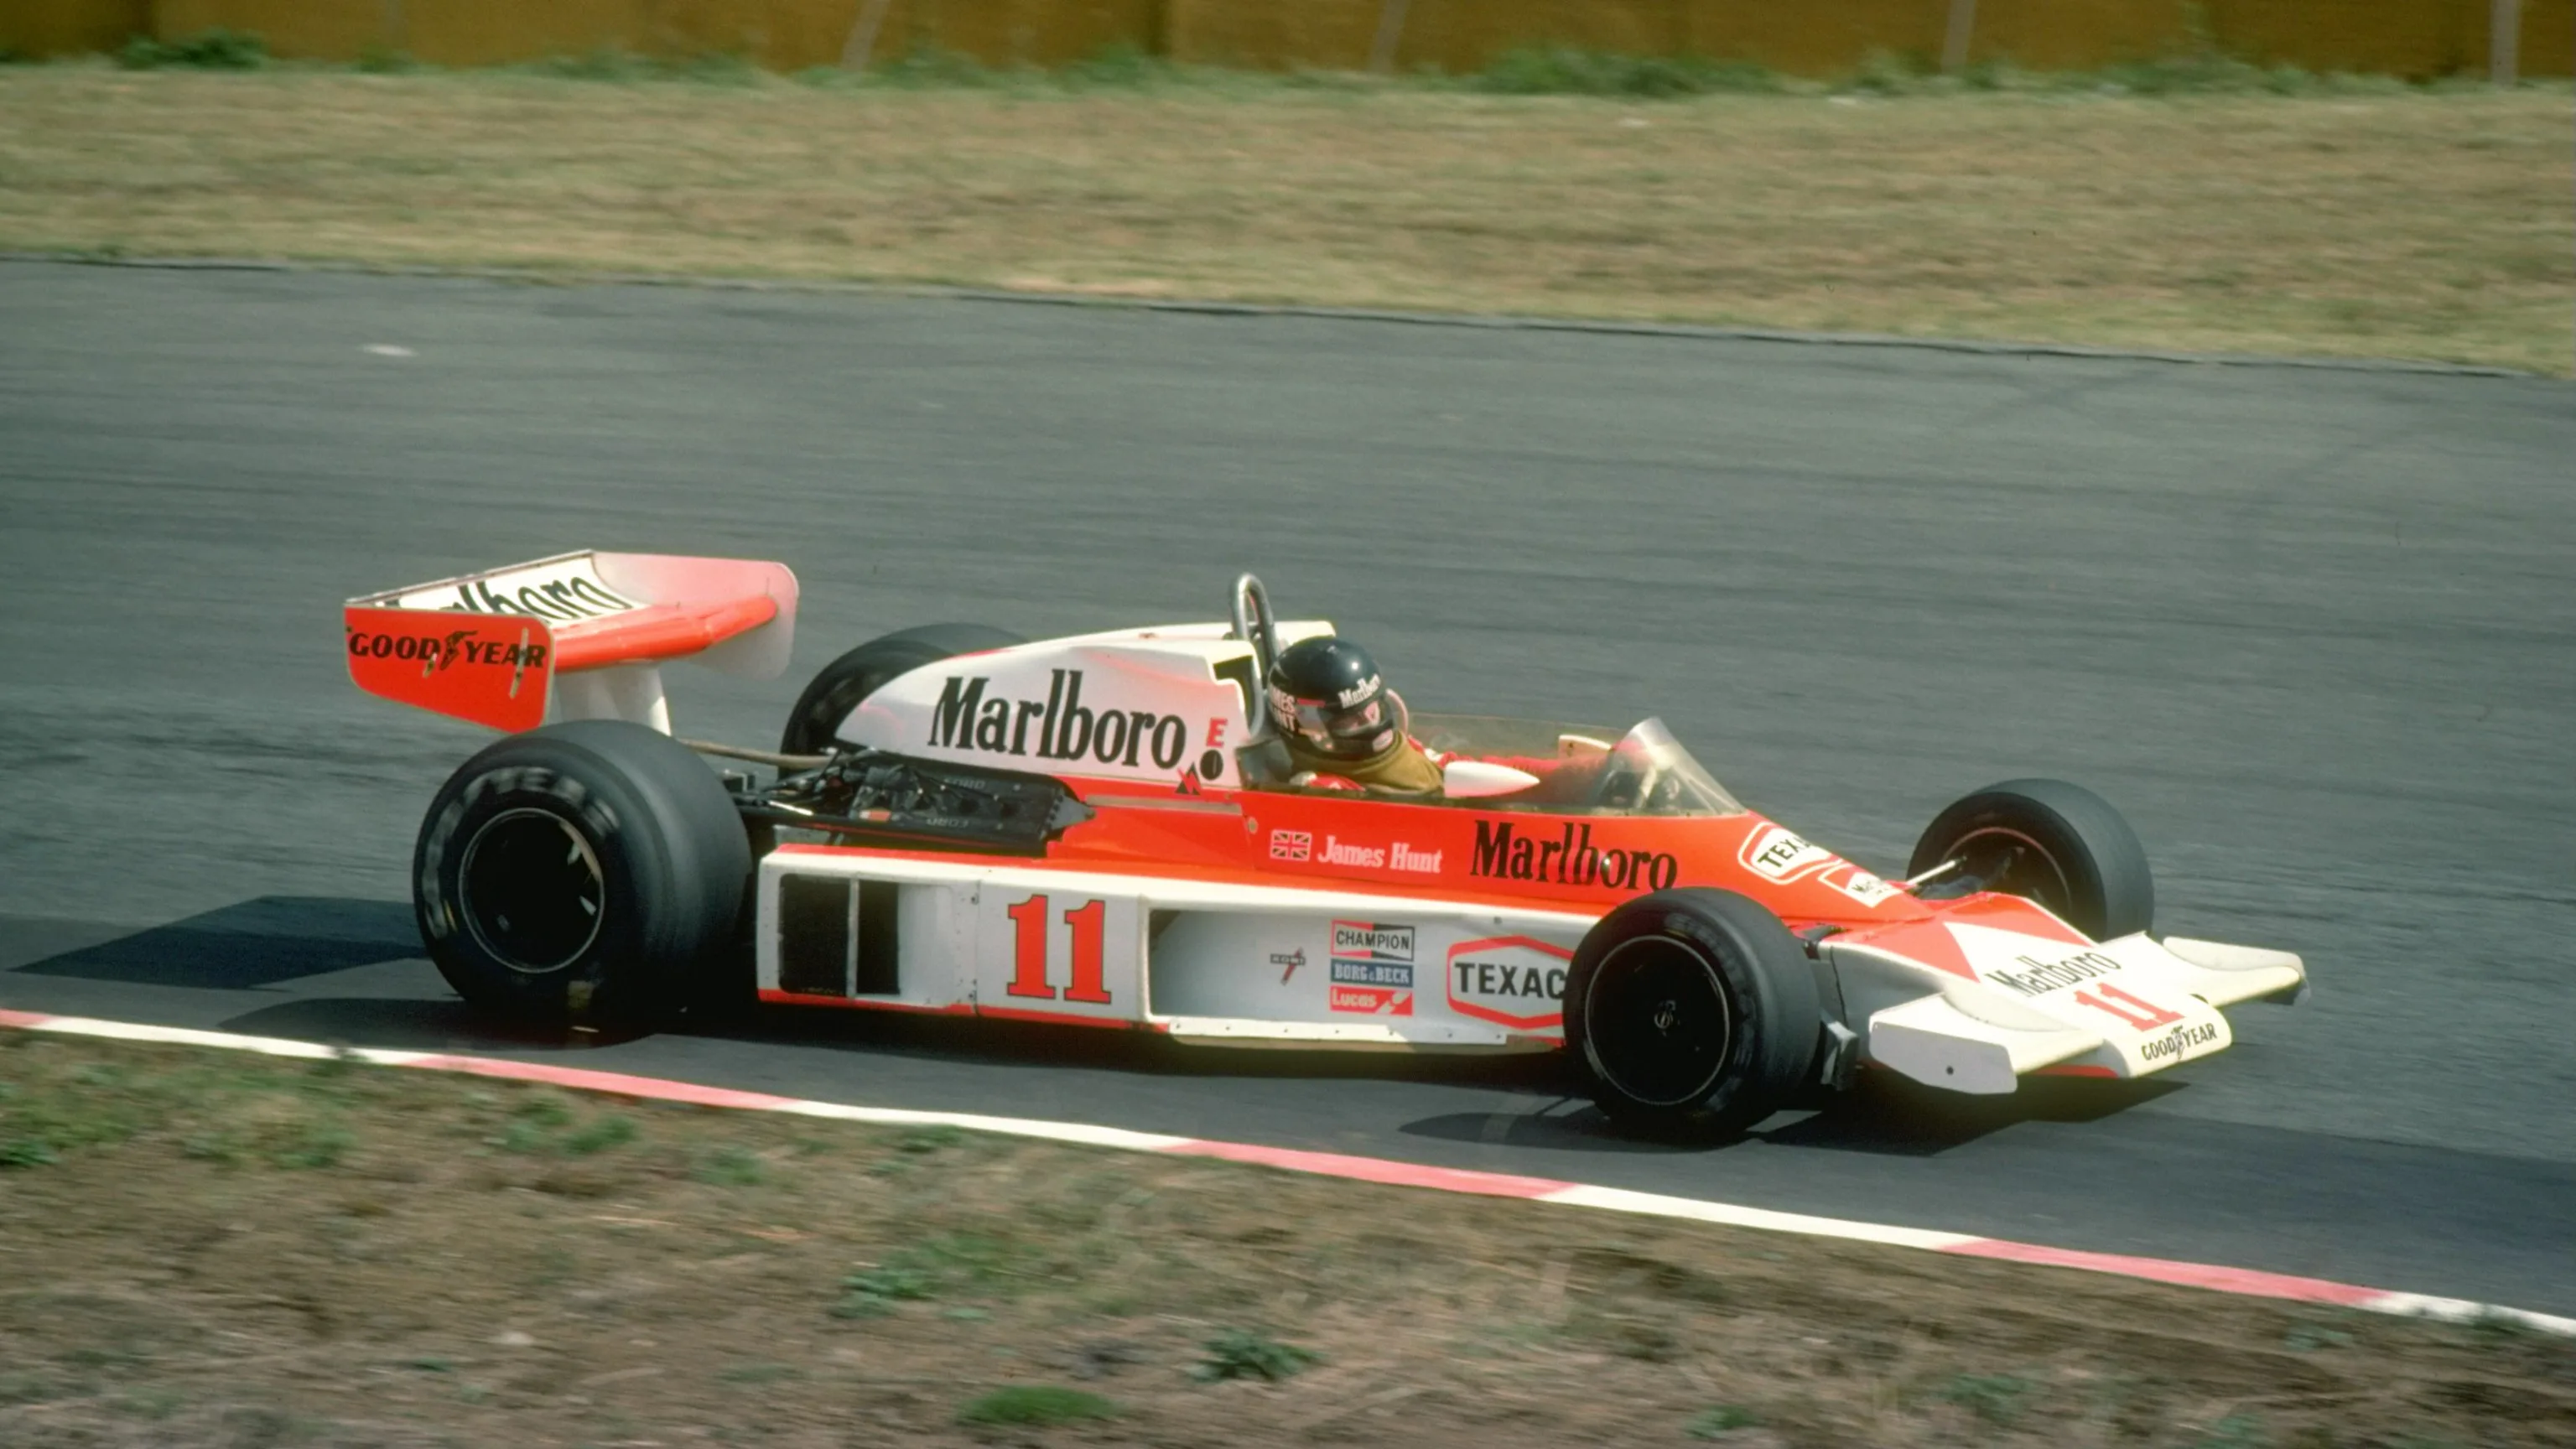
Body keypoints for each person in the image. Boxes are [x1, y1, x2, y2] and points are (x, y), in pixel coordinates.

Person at [1264, 636, 1444, 796]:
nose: (1370, 721)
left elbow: (1457, 767)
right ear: (1308, 725)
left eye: (1373, 710)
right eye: (1349, 718)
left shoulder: (1410, 747)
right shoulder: (1322, 791)